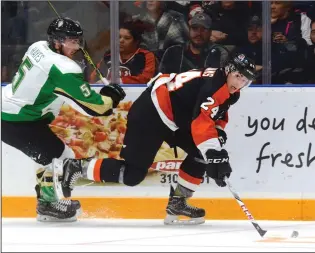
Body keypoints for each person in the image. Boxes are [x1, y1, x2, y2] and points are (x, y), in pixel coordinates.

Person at [54, 52, 256, 225]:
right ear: (228, 70)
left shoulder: (230, 90)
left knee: (200, 152)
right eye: (238, 76)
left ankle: (178, 203)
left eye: (245, 80)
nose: (239, 83)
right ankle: (77, 167)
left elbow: (216, 114)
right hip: (151, 113)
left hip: (174, 117)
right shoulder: (214, 87)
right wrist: (214, 151)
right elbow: (202, 121)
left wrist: (217, 134)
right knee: (133, 175)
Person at [1, 17, 126, 222]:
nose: (76, 46)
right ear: (57, 42)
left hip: (14, 113)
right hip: (18, 120)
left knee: (52, 156)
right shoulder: (63, 68)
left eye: (78, 40)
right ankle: (49, 205)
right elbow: (96, 109)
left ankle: (48, 202)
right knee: (60, 157)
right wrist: (111, 97)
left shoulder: (39, 46)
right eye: (71, 41)